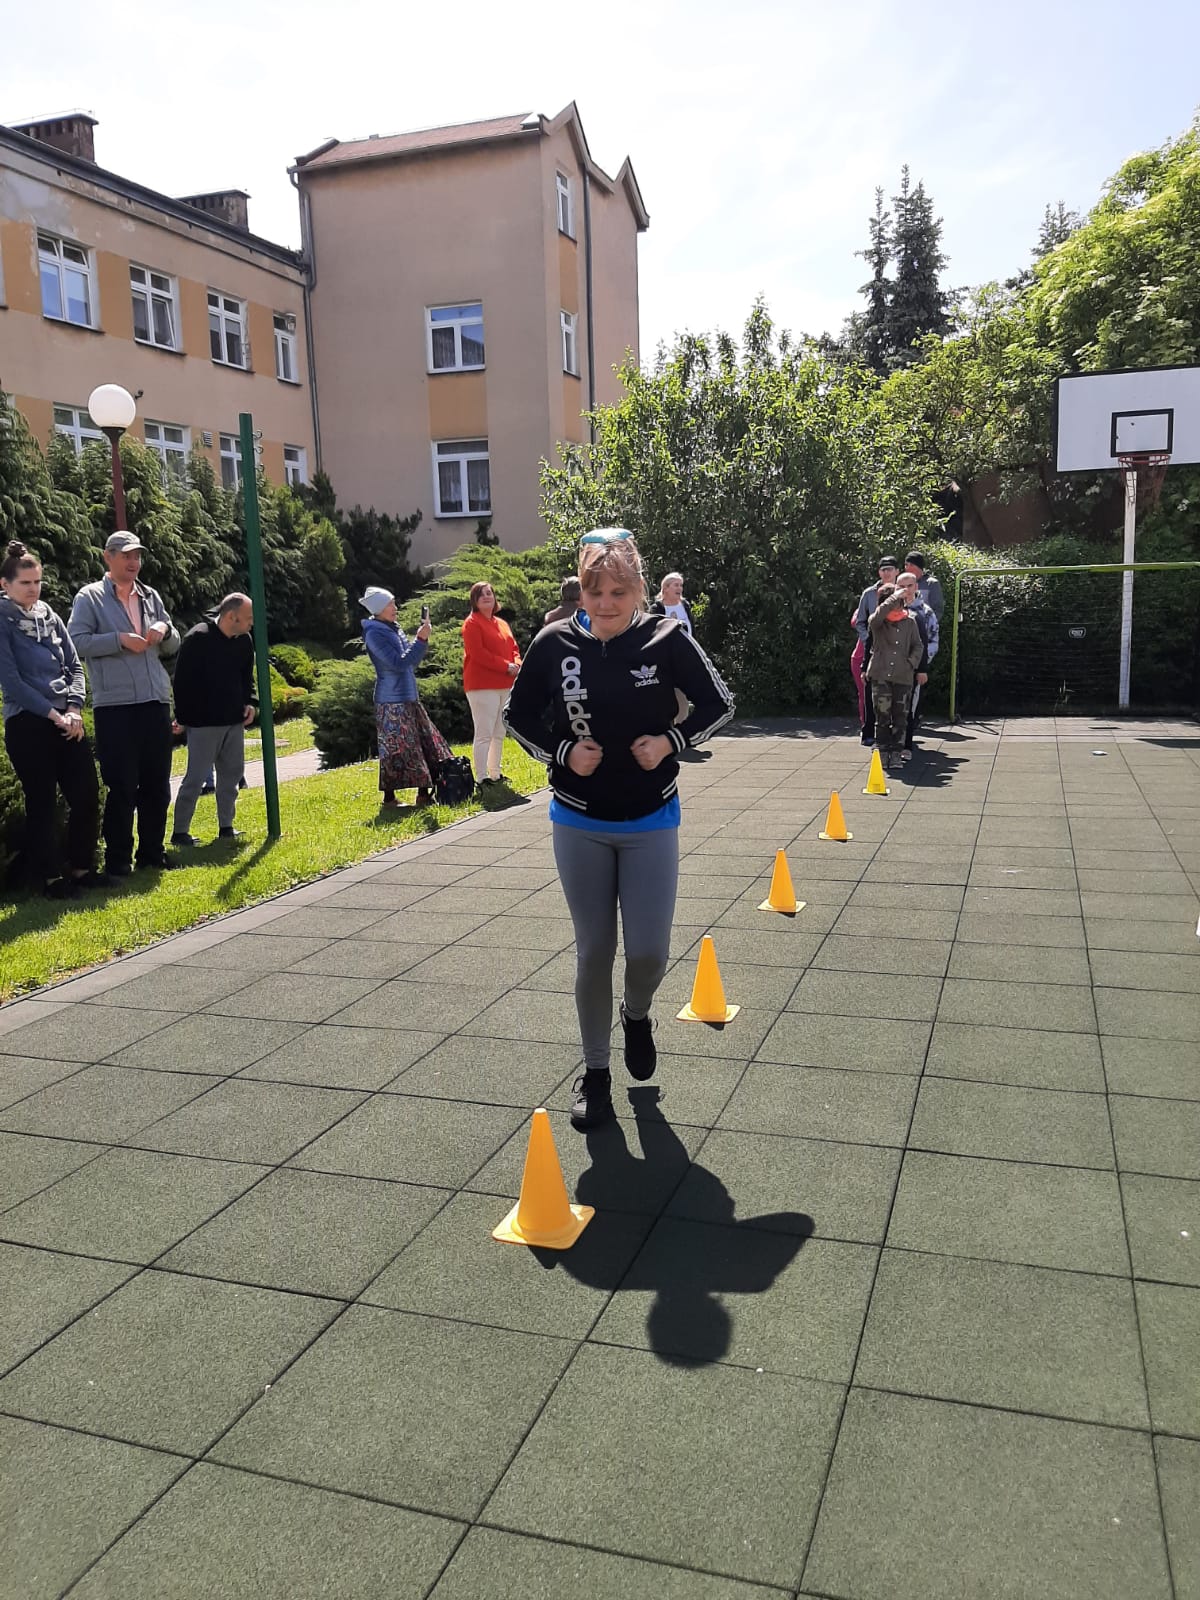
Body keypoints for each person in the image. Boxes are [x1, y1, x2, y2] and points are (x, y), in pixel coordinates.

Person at [504, 528, 735, 1131]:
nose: (605, 603)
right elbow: (517, 715)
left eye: (618, 591)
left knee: (650, 952)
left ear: (639, 591)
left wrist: (670, 742)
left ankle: (636, 1013)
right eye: (594, 591)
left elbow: (720, 704)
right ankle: (596, 1073)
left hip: (651, 818)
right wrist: (561, 752)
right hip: (577, 820)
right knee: (594, 950)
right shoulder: (555, 642)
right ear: (580, 591)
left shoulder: (667, 638)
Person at [69, 531, 180, 875]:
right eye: (126, 555)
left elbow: (173, 644)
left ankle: (152, 854)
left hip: (155, 701)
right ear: (108, 557)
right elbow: (76, 641)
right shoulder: (90, 597)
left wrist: (164, 630)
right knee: (122, 785)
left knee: (157, 784)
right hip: (115, 707)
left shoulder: (150, 596)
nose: (133, 562)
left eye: (137, 556)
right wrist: (119, 640)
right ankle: (118, 862)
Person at [0, 541, 103, 898]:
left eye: (37, 581)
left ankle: (81, 868)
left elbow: (74, 665)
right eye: (25, 583)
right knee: (42, 801)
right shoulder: (3, 620)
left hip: (66, 719)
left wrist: (73, 709)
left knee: (86, 793)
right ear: (5, 585)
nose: (33, 589)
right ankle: (50, 879)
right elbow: (12, 681)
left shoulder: (49, 615)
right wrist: (53, 715)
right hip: (29, 722)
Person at [170, 594, 256, 846]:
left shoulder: (244, 640)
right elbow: (182, 682)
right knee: (195, 778)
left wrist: (250, 703)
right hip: (203, 723)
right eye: (248, 618)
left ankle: (226, 827)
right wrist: (183, 718)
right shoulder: (198, 638)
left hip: (233, 721)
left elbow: (246, 677)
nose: (251, 623)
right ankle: (180, 833)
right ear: (231, 617)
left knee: (232, 776)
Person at [360, 586, 449, 807]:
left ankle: (423, 794)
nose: (395, 608)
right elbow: (398, 664)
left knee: (421, 742)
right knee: (395, 748)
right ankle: (389, 798)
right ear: (379, 608)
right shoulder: (374, 634)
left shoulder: (394, 629)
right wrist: (420, 640)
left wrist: (421, 641)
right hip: (391, 701)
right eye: (390, 604)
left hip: (409, 695)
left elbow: (410, 661)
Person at [462, 581, 521, 787]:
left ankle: (495, 773)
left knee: (499, 732)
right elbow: (478, 654)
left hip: (505, 683)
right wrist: (506, 666)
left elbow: (513, 648)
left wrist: (517, 663)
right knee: (484, 732)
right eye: (481, 595)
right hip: (482, 685)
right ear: (474, 601)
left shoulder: (502, 623)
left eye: (489, 593)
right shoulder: (471, 623)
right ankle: (481, 777)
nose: (486, 597)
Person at [866, 582, 924, 773]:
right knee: (882, 716)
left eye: (900, 602)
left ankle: (897, 752)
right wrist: (893, 596)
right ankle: (883, 752)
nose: (898, 606)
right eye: (894, 603)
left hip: (903, 676)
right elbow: (877, 616)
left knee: (901, 717)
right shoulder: (878, 622)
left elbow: (918, 645)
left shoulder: (910, 622)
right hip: (880, 675)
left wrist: (911, 663)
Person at [854, 557, 899, 745]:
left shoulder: (903, 592)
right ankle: (868, 732)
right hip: (873, 650)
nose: (886, 573)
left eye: (890, 569)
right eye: (883, 569)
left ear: (897, 571)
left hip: (896, 650)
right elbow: (860, 622)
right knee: (869, 693)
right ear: (879, 572)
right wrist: (870, 641)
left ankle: (894, 734)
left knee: (896, 695)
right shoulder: (869, 593)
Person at [894, 570, 937, 759]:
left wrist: (921, 666)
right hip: (891, 668)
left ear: (916, 587)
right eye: (901, 586)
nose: (905, 590)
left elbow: (931, 641)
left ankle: (907, 745)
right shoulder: (889, 610)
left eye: (909, 586)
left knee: (909, 706)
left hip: (913, 668)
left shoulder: (925, 612)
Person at [905, 551, 944, 621]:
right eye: (906, 565)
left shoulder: (931, 583)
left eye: (911, 565)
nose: (908, 568)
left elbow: (937, 610)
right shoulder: (903, 583)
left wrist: (926, 624)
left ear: (919, 567)